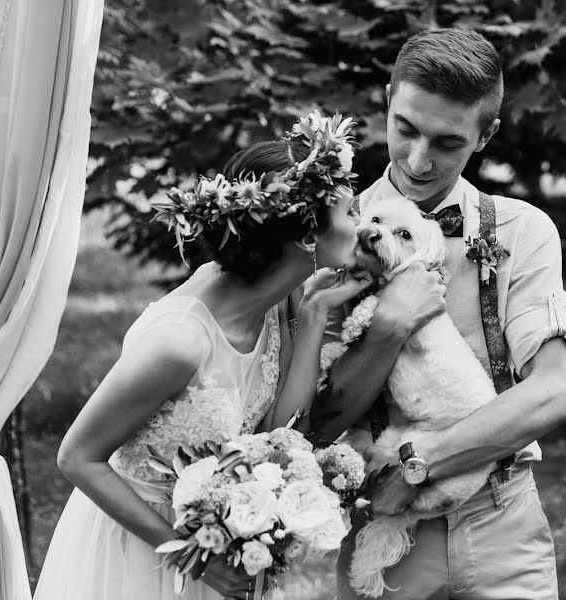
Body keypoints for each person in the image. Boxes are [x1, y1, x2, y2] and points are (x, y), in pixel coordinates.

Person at [33, 114, 374, 600]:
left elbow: (283, 429)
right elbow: (77, 458)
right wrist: (187, 554)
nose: (362, 225)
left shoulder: (275, 299)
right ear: (306, 237)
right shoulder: (180, 342)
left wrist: (315, 313)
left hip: (217, 546)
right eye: (352, 212)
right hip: (139, 551)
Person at [315, 28, 566, 600]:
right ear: (388, 100)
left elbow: (554, 393)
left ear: (486, 135)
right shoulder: (332, 234)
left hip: (500, 524)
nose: (418, 160)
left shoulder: (521, 232)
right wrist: (388, 328)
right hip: (381, 534)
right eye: (405, 129)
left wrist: (420, 465)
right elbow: (312, 421)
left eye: (447, 142)